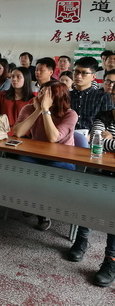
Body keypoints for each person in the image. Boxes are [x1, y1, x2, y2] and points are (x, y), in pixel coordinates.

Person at [12, 80, 78, 231]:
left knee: (45, 177)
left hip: (61, 158)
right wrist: (37, 111)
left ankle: (42, 212)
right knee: (20, 167)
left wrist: (45, 110)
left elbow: (53, 138)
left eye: (47, 94)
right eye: (41, 91)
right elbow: (18, 132)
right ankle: (33, 203)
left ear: (58, 96)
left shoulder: (70, 114)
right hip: (36, 155)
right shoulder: (29, 108)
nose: (42, 95)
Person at [72, 108, 115, 287]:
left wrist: (110, 139)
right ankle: (81, 239)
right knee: (89, 197)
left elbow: (104, 142)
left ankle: (111, 259)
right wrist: (107, 140)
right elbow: (96, 141)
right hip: (99, 170)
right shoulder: (103, 117)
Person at [70, 57, 114, 130]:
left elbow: (108, 123)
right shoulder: (65, 95)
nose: (78, 76)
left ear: (93, 77)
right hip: (67, 135)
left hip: (94, 135)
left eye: (84, 73)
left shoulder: (103, 97)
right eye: (76, 71)